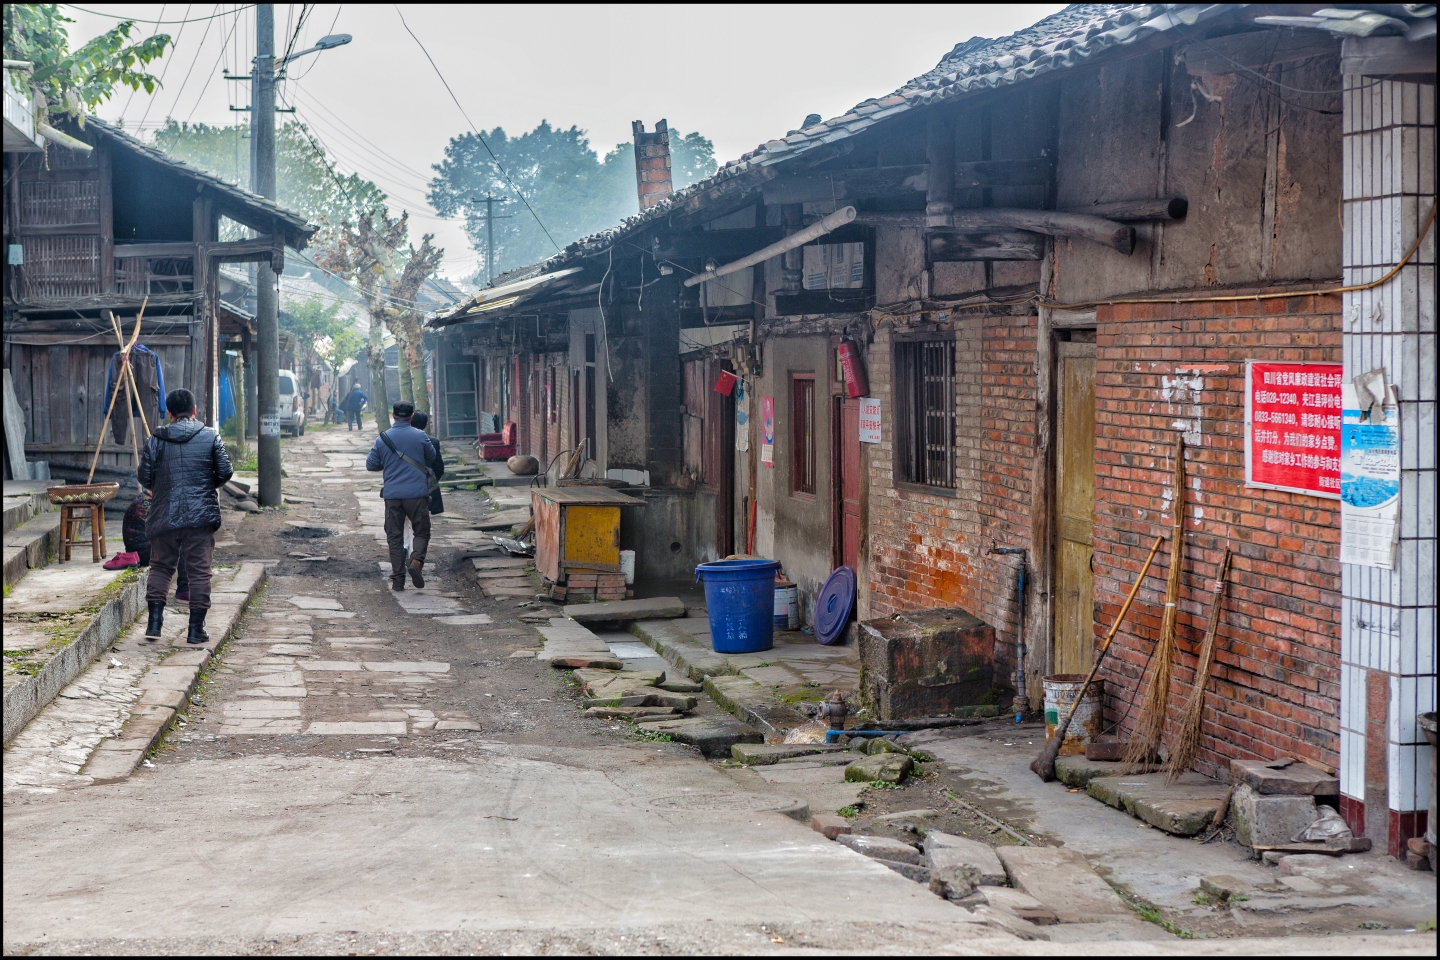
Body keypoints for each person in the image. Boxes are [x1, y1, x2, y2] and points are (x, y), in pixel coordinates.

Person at [138, 387, 233, 644]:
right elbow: (225, 472)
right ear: (194, 410)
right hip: (200, 517)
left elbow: (144, 477)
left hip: (163, 515)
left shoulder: (155, 439)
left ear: (169, 413)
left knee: (160, 566)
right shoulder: (210, 436)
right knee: (200, 572)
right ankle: (195, 630)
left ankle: (154, 625)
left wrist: (164, 488)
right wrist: (203, 485)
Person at [366, 401, 437, 591]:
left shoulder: (383, 439)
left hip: (392, 496)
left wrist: (389, 464)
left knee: (394, 537)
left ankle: (398, 580)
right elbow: (431, 458)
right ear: (412, 417)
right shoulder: (420, 435)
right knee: (421, 532)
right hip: (417, 495)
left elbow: (371, 464)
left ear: (393, 415)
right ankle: (415, 561)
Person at [403, 412, 446, 560]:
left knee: (404, 519)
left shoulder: (399, 441)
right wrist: (430, 483)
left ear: (409, 421)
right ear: (426, 425)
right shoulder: (432, 441)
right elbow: (439, 467)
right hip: (423, 489)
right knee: (420, 524)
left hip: (402, 486)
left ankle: (405, 548)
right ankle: (415, 554)